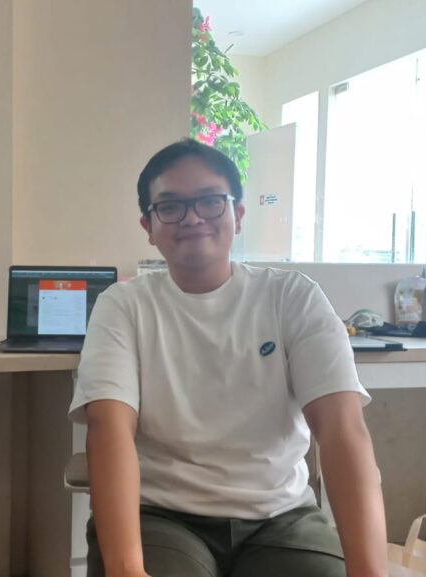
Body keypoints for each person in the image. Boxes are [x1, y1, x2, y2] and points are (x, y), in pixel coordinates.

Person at [70, 139, 387, 577]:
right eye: (170, 207)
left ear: (237, 214)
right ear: (149, 226)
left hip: (281, 517)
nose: (192, 218)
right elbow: (109, 429)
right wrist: (127, 570)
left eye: (210, 201)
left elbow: (342, 430)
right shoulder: (123, 306)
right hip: (160, 515)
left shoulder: (293, 298)